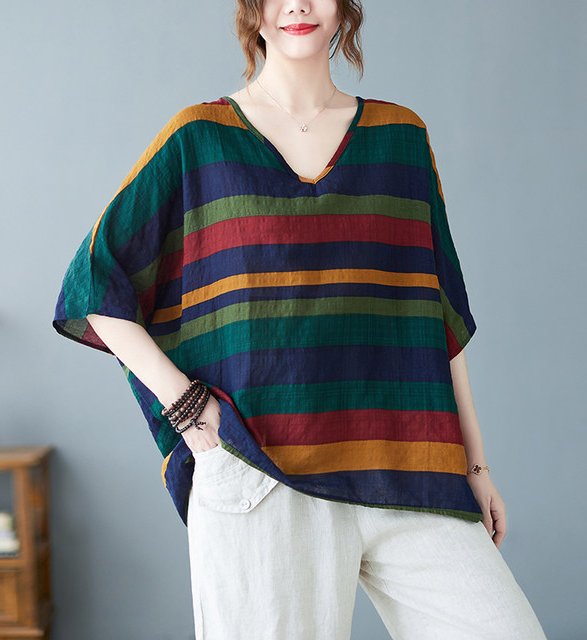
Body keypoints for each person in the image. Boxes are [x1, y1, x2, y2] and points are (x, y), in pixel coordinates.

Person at [53, 1, 549, 638]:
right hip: (261, 471)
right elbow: (92, 284)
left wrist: (475, 465)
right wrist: (184, 404)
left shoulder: (401, 137)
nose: (297, 4)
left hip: (408, 463)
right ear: (253, 10)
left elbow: (438, 316)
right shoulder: (199, 138)